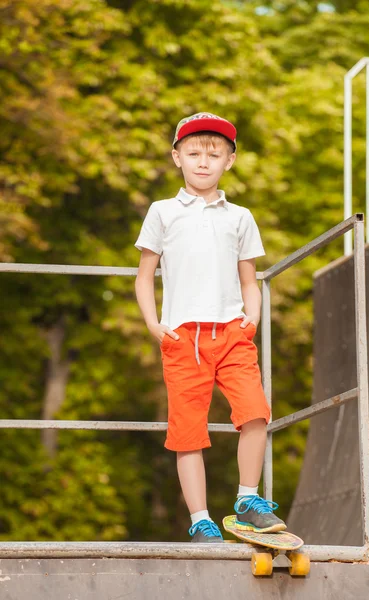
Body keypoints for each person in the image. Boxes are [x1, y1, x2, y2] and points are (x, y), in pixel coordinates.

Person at [134, 112, 286, 542]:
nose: (204, 161)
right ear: (176, 157)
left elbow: (248, 279)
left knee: (255, 412)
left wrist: (251, 319)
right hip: (183, 338)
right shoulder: (162, 212)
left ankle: (247, 499)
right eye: (194, 152)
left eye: (214, 154)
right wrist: (153, 324)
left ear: (229, 161)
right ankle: (201, 520)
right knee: (187, 430)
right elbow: (145, 275)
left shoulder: (239, 216)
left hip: (233, 335)